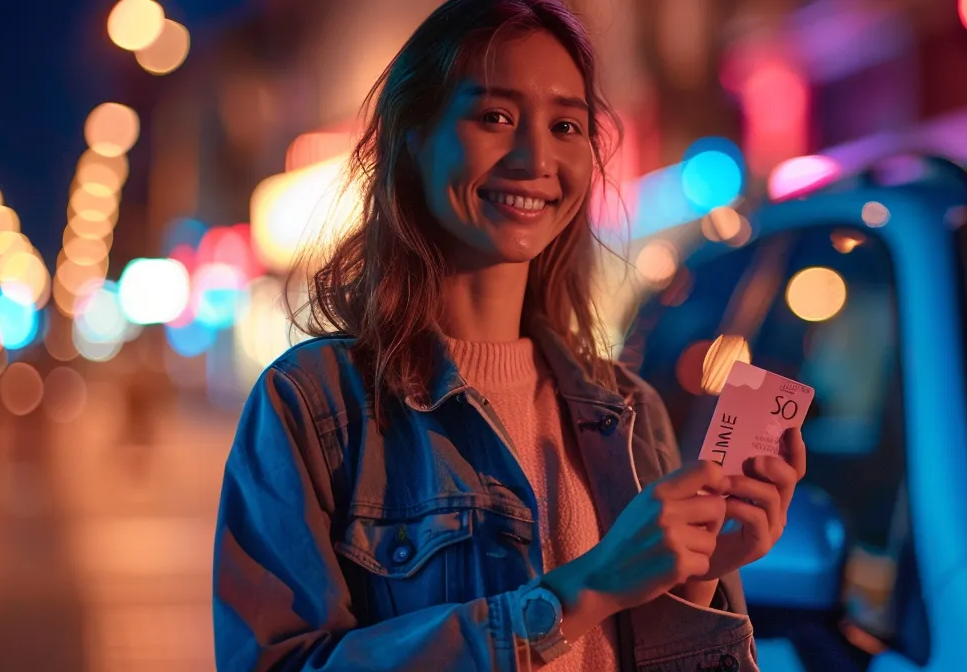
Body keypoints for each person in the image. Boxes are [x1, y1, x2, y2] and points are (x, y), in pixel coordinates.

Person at [211, 2, 805, 670]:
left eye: (566, 125)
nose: (535, 157)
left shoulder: (630, 411)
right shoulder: (314, 406)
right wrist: (581, 590)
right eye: (494, 117)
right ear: (412, 137)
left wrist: (698, 574)